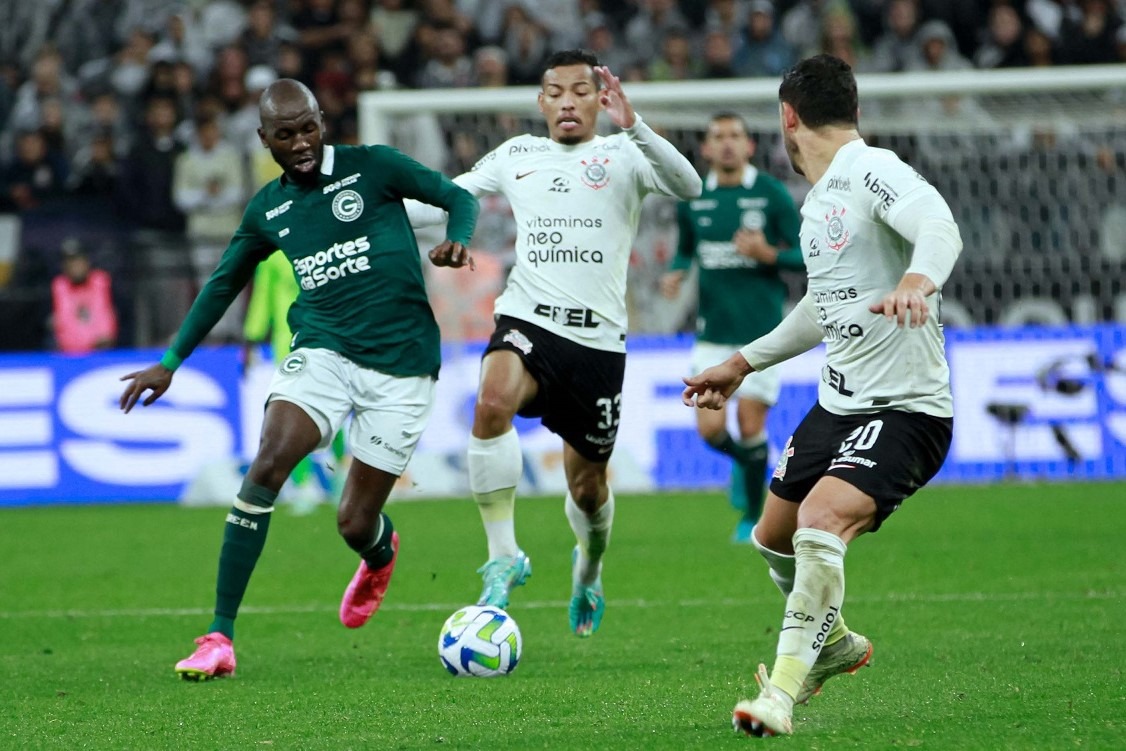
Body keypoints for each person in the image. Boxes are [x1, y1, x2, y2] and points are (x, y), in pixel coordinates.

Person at [118, 78, 478, 680]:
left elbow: (457, 199)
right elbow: (224, 283)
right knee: (268, 463)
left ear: (321, 122)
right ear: (266, 140)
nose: (302, 142)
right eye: (286, 135)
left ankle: (380, 551)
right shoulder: (268, 208)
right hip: (323, 352)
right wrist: (171, 361)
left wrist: (457, 241)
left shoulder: (375, 167)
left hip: (403, 366)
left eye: (308, 127)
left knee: (353, 522)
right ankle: (219, 638)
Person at [681, 55, 961, 737]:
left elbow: (940, 225)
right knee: (772, 535)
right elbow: (822, 307)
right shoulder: (819, 201)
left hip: (904, 409)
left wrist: (918, 282)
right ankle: (832, 643)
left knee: (820, 518)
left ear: (787, 118)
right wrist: (743, 362)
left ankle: (780, 690)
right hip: (838, 405)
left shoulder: (874, 171)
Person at [414, 49, 702, 637]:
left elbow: (690, 185)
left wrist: (637, 126)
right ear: (540, 102)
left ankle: (588, 568)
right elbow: (443, 199)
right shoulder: (517, 155)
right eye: (555, 91)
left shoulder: (625, 153)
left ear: (600, 98)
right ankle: (503, 555)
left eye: (580, 90)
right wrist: (375, 205)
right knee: (491, 403)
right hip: (528, 318)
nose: (567, 101)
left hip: (596, 344)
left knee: (587, 488)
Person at [660, 112, 803, 542]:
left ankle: (752, 519)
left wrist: (768, 255)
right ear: (705, 148)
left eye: (735, 136)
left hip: (762, 334)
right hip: (713, 332)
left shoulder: (770, 194)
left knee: (749, 419)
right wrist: (677, 270)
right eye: (718, 136)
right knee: (709, 428)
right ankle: (748, 465)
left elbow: (805, 255)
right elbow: (686, 248)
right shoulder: (693, 197)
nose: (727, 143)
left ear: (749, 147)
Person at [50, 238, 118, 354]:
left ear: (87, 262)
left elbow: (105, 315)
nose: (75, 266)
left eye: (78, 260)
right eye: (70, 262)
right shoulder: (60, 286)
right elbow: (63, 322)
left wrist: (101, 339)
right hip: (69, 355)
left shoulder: (101, 281)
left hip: (102, 353)